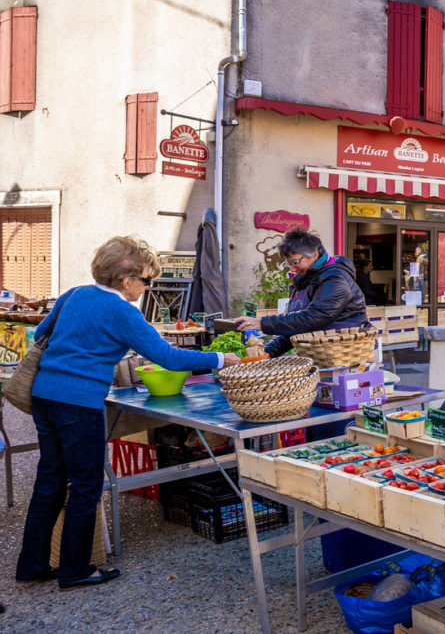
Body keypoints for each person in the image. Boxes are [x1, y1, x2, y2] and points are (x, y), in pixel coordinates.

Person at [16, 236, 240, 590]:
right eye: (146, 281)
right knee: (86, 486)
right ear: (126, 280)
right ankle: (74, 570)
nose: (146, 288)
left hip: (45, 396)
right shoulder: (122, 311)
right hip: (80, 403)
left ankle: (31, 564)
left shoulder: (74, 294)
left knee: (50, 481)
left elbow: (41, 333)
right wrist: (220, 359)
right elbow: (168, 358)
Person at [235, 227, 367, 356]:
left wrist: (262, 323)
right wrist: (267, 353)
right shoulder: (303, 281)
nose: (292, 269)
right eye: (289, 264)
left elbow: (314, 317)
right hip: (318, 354)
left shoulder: (336, 278)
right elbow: (296, 328)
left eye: (295, 262)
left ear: (314, 255)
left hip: (343, 354)